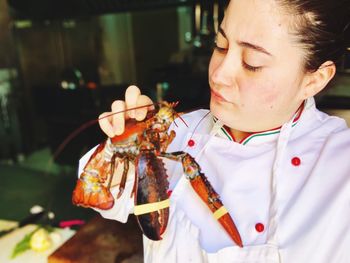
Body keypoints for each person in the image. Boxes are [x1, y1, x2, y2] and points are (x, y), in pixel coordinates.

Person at [78, 0, 350, 262]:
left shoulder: (341, 168)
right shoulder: (178, 131)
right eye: (220, 46)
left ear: (315, 79)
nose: (218, 75)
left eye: (252, 62)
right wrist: (119, 145)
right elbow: (98, 193)